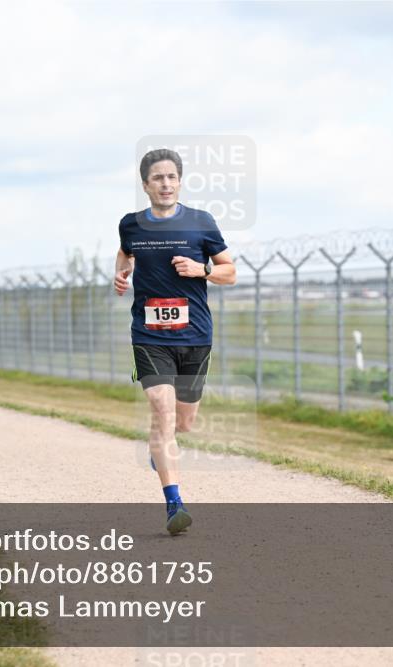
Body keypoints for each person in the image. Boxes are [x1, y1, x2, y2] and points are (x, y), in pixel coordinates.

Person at [115, 149, 236, 535]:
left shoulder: (201, 222)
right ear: (145, 184)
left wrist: (202, 269)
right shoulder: (131, 225)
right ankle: (174, 504)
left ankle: (160, 452)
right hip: (149, 335)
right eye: (157, 178)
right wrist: (121, 275)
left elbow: (229, 272)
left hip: (195, 337)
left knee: (184, 422)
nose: (165, 184)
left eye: (171, 177)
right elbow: (124, 254)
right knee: (161, 411)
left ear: (179, 181)